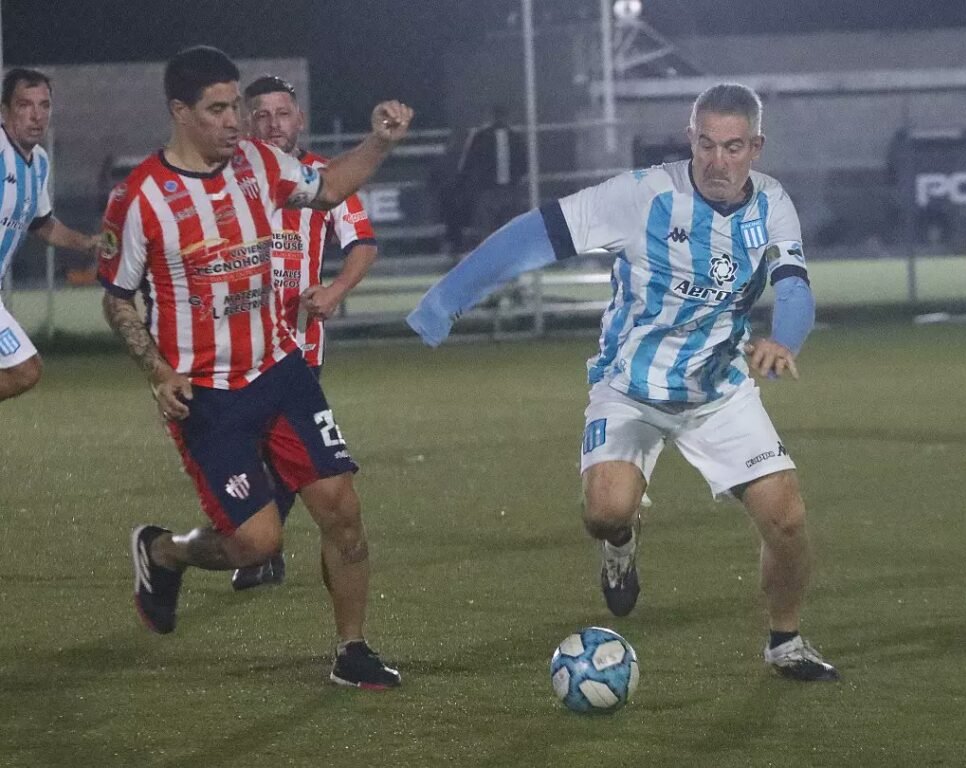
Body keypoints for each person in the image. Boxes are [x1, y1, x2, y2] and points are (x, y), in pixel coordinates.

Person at [408, 83, 838, 682]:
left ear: (756, 147)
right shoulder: (641, 196)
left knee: (786, 518)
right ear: (690, 139)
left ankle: (785, 642)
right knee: (606, 512)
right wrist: (445, 301)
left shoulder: (773, 203)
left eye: (734, 147)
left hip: (717, 391)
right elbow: (536, 235)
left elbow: (794, 285)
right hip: (630, 388)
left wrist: (783, 340)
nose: (718, 162)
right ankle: (620, 545)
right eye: (706, 145)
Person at [98, 46, 412, 688]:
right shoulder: (139, 199)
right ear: (180, 112)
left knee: (342, 508)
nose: (235, 120)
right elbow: (116, 296)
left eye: (234, 104)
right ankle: (165, 551)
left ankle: (352, 650)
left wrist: (378, 144)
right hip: (208, 398)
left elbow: (326, 190)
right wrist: (159, 372)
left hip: (281, 369)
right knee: (256, 544)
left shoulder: (262, 165)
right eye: (217, 109)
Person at [228, 74, 379, 591]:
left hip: (298, 346)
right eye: (262, 115)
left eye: (282, 113)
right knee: (251, 456)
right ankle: (260, 546)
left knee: (281, 455)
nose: (273, 124)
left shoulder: (324, 177)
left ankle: (259, 550)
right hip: (236, 347)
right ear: (249, 122)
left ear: (300, 118)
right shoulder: (231, 176)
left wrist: (335, 290)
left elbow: (362, 242)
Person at [0, 68, 99, 403]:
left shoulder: (39, 162)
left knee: (24, 371)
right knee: (25, 370)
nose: (36, 115)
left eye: (44, 105)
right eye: (25, 105)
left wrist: (88, 243)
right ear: (4, 110)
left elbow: (42, 224)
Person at [455, 105, 526, 248]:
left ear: (491, 116)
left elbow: (468, 164)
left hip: (487, 191)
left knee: (487, 231)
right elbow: (524, 164)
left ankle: (490, 261)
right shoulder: (515, 137)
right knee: (510, 229)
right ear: (507, 117)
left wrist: (468, 185)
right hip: (509, 189)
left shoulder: (481, 136)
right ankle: (509, 259)